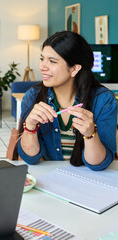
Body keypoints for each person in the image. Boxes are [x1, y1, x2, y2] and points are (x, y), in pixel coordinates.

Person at [14, 31, 117, 171]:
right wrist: (30, 126)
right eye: (42, 58)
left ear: (74, 69)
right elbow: (29, 158)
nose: (42, 66)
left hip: (89, 181)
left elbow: (98, 164)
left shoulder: (104, 101)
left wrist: (90, 134)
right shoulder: (33, 97)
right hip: (49, 179)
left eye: (52, 61)